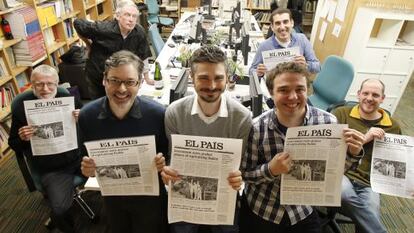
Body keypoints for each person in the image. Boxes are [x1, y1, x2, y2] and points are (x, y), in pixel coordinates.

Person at [240, 62, 364, 233]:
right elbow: (245, 174)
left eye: (300, 89)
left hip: (301, 209)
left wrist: (353, 153)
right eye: (283, 90)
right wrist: (271, 170)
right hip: (263, 208)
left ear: (308, 90)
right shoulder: (256, 127)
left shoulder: (328, 123)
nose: (292, 97)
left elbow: (336, 172)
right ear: (271, 93)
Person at [161, 46, 253, 233]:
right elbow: (172, 159)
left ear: (227, 77)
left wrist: (239, 176)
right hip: (185, 197)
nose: (211, 86)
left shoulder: (242, 117)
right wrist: (167, 171)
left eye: (218, 78)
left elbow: (240, 166)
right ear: (191, 77)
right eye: (203, 77)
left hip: (224, 196)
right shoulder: (174, 113)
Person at [79, 50, 168, 233]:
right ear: (104, 80)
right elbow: (83, 157)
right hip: (113, 197)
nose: (121, 89)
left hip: (149, 198)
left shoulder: (158, 114)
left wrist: (163, 161)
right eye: (114, 80)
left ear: (140, 82)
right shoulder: (88, 116)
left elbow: (168, 156)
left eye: (129, 82)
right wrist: (86, 168)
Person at [8, 64, 83, 233]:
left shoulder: (68, 100)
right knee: (59, 210)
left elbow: (91, 127)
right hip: (55, 168)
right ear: (31, 85)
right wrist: (22, 138)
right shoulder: (22, 108)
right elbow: (13, 144)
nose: (45, 89)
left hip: (81, 157)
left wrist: (82, 118)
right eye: (39, 84)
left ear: (57, 83)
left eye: (50, 84)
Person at [332, 78, 402, 233]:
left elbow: (396, 161)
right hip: (342, 172)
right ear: (358, 94)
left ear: (383, 99)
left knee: (372, 209)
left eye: (375, 95)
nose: (369, 98)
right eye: (366, 93)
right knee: (344, 195)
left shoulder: (392, 126)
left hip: (370, 181)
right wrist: (365, 138)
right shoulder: (341, 114)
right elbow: (330, 150)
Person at [74, 0, 153, 99]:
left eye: (134, 16)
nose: (131, 19)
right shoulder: (103, 29)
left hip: (120, 77)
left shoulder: (139, 32)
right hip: (98, 74)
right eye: (127, 15)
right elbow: (77, 23)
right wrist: (88, 45)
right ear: (118, 16)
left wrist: (147, 78)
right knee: (102, 105)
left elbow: (143, 55)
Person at [249, 8, 320, 76]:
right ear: (272, 27)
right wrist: (258, 72)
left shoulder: (302, 39)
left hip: (296, 84)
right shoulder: (264, 46)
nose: (282, 27)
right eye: (277, 23)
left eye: (285, 22)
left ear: (292, 23)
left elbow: (317, 67)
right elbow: (251, 71)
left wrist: (306, 65)